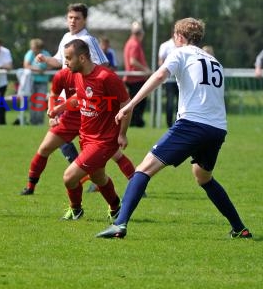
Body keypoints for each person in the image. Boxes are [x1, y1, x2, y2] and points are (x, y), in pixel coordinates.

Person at [97, 18, 252, 239]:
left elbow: (160, 75)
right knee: (203, 176)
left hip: (192, 124)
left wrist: (130, 105)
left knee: (143, 169)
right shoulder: (214, 61)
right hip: (217, 128)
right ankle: (240, 228)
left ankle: (119, 224)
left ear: (179, 37)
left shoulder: (181, 52)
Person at [59, 38, 130, 221]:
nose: (65, 62)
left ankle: (76, 210)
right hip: (86, 137)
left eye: (68, 58)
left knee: (69, 177)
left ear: (82, 58)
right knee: (98, 177)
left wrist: (122, 133)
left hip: (103, 141)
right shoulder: (77, 75)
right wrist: (59, 108)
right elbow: (79, 97)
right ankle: (116, 207)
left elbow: (126, 103)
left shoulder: (106, 77)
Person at [35, 3, 109, 167]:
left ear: (85, 20)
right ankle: (82, 171)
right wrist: (45, 59)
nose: (73, 21)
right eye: (70, 17)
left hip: (84, 99)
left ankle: (132, 178)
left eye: (77, 18)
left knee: (92, 141)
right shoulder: (66, 37)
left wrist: (89, 89)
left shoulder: (88, 40)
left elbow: (102, 66)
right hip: (66, 98)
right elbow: (59, 61)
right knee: (62, 138)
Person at [123, 21, 151, 127]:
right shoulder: (134, 44)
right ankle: (136, 122)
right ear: (141, 34)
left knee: (134, 102)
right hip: (135, 78)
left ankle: (135, 121)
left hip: (133, 78)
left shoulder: (130, 42)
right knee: (138, 103)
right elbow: (133, 61)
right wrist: (146, 70)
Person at [23, 38, 51, 125]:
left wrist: (44, 69)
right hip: (31, 81)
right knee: (32, 101)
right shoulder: (30, 53)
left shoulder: (46, 54)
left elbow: (51, 65)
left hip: (42, 82)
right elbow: (26, 65)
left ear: (39, 48)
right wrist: (37, 69)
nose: (33, 49)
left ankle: (39, 121)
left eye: (34, 48)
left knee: (40, 102)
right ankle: (32, 121)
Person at [158, 37, 179, 128]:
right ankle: (169, 124)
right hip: (169, 80)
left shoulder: (183, 46)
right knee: (170, 102)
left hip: (180, 80)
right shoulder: (165, 45)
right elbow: (160, 62)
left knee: (180, 103)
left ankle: (178, 123)